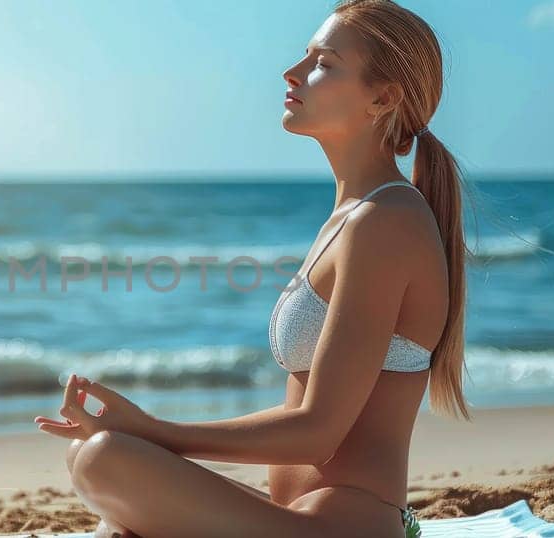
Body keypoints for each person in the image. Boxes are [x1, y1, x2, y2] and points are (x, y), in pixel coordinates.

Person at [32, 1, 471, 536]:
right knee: (96, 459)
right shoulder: (355, 215)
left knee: (107, 459)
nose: (292, 72)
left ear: (381, 98)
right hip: (291, 517)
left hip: (343, 527)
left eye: (324, 63)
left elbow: (317, 434)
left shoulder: (385, 222)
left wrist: (156, 431)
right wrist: (145, 438)